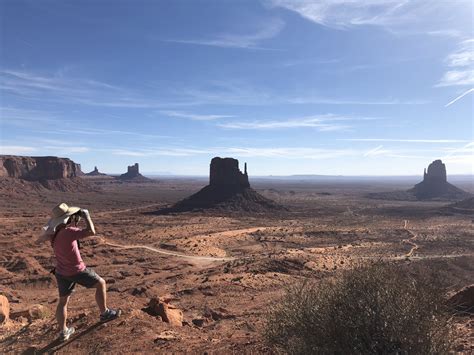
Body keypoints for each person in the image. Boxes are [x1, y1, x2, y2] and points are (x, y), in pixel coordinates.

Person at [37, 202, 120, 341]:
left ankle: (63, 332)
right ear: (69, 218)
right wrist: (87, 216)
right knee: (101, 283)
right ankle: (105, 313)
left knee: (63, 302)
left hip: (61, 272)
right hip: (76, 270)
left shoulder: (54, 233)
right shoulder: (69, 232)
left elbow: (43, 234)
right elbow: (92, 231)